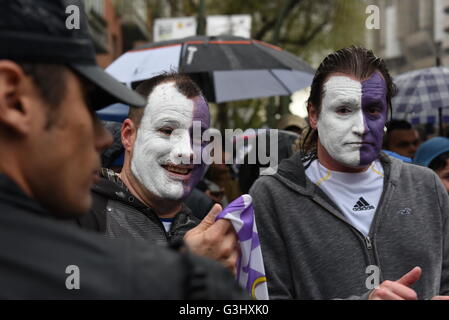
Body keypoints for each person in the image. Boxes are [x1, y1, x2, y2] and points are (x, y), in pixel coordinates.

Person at [0, 0, 246, 299]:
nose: (104, 137)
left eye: (198, 136)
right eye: (87, 105)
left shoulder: (211, 226)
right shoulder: (73, 215)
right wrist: (183, 276)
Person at [250, 46, 449, 300]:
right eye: (344, 110)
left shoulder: (425, 185)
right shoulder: (272, 196)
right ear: (313, 114)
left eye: (374, 110)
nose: (362, 127)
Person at [77, 74, 239, 274]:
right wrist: (184, 269)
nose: (186, 152)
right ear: (129, 135)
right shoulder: (78, 216)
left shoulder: (210, 240)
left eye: (198, 137)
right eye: (167, 131)